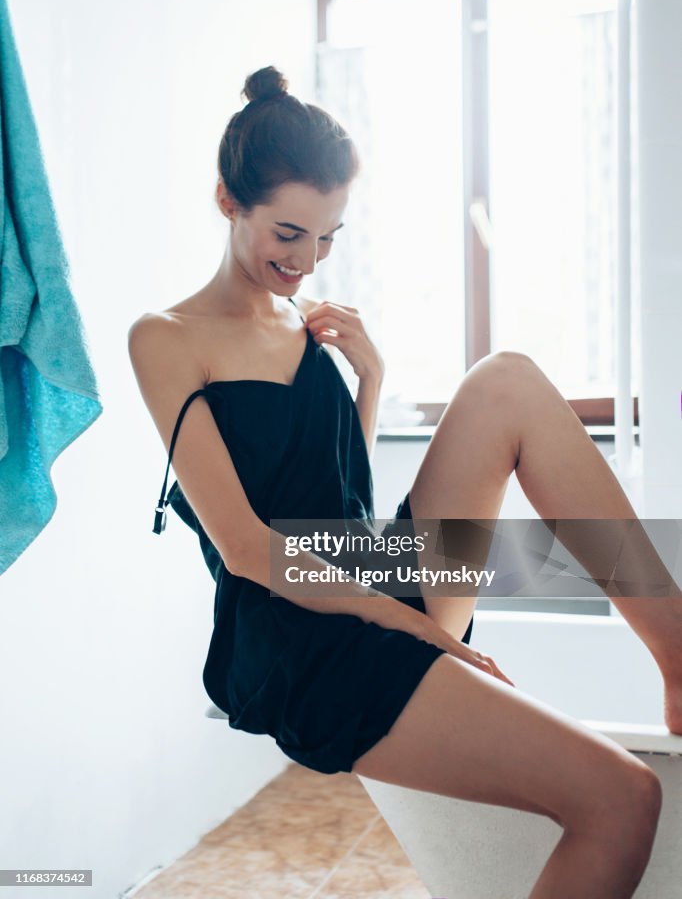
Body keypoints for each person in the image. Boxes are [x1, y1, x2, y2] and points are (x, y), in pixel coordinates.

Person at [128, 65, 681, 898]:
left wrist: (372, 380)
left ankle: (676, 650)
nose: (306, 262)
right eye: (288, 234)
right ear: (227, 201)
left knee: (507, 380)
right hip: (299, 642)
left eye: (328, 239)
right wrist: (426, 633)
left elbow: (335, 501)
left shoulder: (301, 324)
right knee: (627, 798)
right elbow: (248, 550)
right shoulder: (165, 338)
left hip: (368, 572)